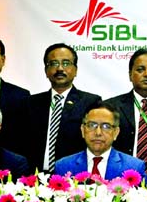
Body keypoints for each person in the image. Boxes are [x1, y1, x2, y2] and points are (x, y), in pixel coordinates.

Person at [27, 43, 101, 173]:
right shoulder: (30, 103)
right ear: (46, 71)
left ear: (75, 70)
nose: (60, 68)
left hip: (73, 176)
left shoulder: (90, 102)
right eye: (54, 63)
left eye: (66, 63)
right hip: (34, 177)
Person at [55, 103, 146, 179]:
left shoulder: (134, 168)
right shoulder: (63, 166)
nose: (98, 133)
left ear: (116, 133)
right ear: (83, 130)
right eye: (91, 125)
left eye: (106, 126)